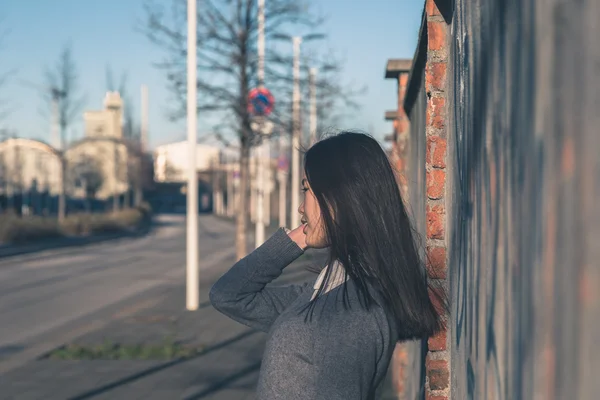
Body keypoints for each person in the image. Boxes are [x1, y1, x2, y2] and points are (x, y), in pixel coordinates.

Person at [210, 131, 444, 399]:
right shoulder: (327, 291)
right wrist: (298, 238)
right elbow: (229, 295)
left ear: (340, 199)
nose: (300, 207)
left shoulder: (353, 313)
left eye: (307, 189)